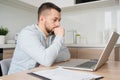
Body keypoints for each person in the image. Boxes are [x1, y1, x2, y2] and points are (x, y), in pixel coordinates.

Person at [8, 2, 70, 74]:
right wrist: (59, 37)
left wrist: (48, 59)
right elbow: (47, 60)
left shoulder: (52, 35)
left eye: (59, 20)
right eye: (55, 20)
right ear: (42, 19)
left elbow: (67, 55)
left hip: (39, 73)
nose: (58, 24)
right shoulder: (28, 33)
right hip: (19, 76)